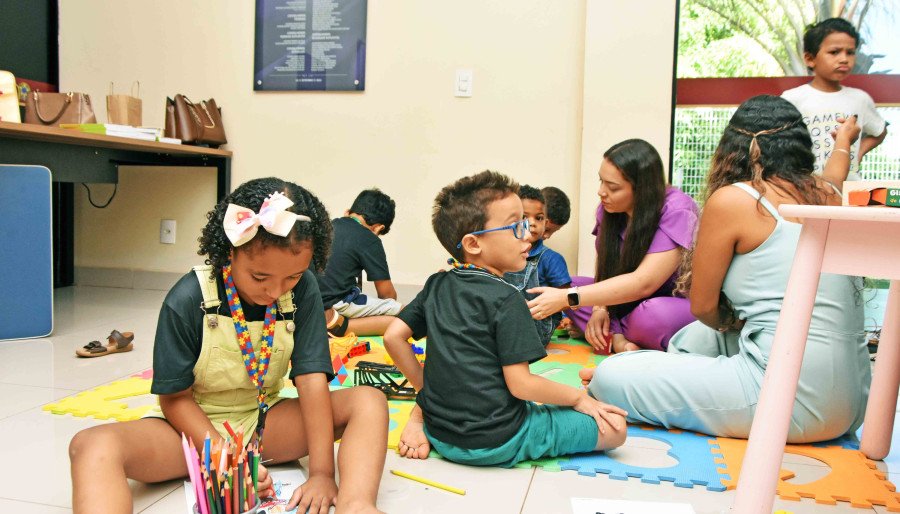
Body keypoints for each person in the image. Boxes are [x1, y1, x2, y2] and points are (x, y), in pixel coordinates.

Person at [69, 178, 388, 514]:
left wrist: (323, 473)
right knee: (91, 445)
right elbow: (174, 399)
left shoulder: (304, 290)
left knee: (369, 401)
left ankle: (357, 504)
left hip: (265, 422)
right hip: (191, 433)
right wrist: (225, 457)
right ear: (230, 250)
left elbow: (311, 381)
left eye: (292, 277)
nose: (275, 291)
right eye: (260, 278)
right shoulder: (187, 297)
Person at [582, 95, 870, 443]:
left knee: (611, 376)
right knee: (696, 338)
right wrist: (843, 142)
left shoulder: (735, 199)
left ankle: (635, 376)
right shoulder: (827, 193)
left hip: (791, 403)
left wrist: (733, 323)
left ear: (735, 148)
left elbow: (703, 307)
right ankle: (656, 373)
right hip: (854, 401)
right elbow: (835, 171)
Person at [384, 170, 627, 466]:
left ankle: (419, 418)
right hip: (498, 439)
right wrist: (579, 399)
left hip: (442, 434)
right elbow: (522, 386)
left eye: (525, 222)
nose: (527, 234)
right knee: (616, 428)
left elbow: (392, 336)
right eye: (515, 226)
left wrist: (425, 390)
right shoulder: (508, 298)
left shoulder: (437, 283)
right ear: (474, 244)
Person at [527, 139, 698, 354]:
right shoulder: (609, 210)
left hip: (667, 302)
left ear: (642, 190)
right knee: (568, 284)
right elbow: (607, 270)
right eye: (601, 181)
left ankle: (617, 338)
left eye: (613, 187)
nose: (601, 192)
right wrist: (600, 307)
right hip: (626, 303)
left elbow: (643, 283)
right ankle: (624, 340)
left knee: (651, 314)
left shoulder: (677, 210)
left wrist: (571, 299)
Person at [782, 17, 887, 180]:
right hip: (806, 188)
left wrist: (859, 152)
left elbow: (879, 131)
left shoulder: (860, 99)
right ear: (810, 59)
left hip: (847, 190)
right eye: (834, 52)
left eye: (850, 52)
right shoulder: (792, 98)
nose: (844, 59)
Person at [319, 188, 401, 337]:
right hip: (335, 303)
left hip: (309, 301)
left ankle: (332, 321)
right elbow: (387, 294)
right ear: (378, 228)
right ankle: (337, 325)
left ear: (348, 212)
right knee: (403, 317)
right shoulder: (370, 239)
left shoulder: (327, 225)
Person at [503, 184, 571, 345]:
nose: (531, 223)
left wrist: (563, 316)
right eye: (524, 217)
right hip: (506, 322)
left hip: (538, 326)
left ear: (545, 222)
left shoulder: (551, 259)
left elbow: (565, 297)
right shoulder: (503, 254)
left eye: (538, 218)